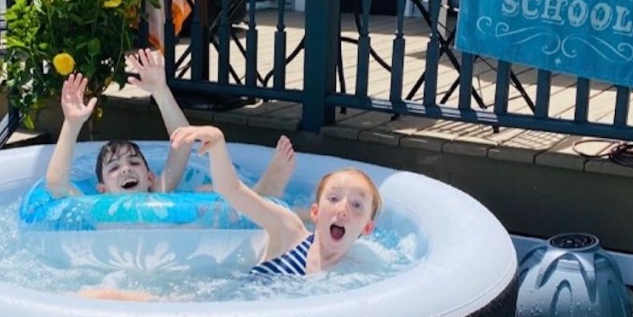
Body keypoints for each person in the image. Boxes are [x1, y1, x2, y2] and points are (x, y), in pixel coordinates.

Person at [44, 48, 297, 199]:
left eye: (134, 163)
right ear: (101, 189)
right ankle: (264, 196)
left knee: (207, 190)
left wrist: (161, 91)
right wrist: (72, 124)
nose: (125, 170)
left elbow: (183, 144)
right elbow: (56, 185)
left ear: (150, 177)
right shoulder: (95, 207)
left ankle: (263, 193)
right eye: (113, 168)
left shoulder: (161, 193)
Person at [170, 125, 382, 276]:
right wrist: (217, 144)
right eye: (334, 198)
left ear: (367, 227)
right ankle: (269, 187)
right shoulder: (289, 232)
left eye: (356, 205)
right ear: (315, 212)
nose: (343, 209)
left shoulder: (360, 271)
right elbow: (231, 190)